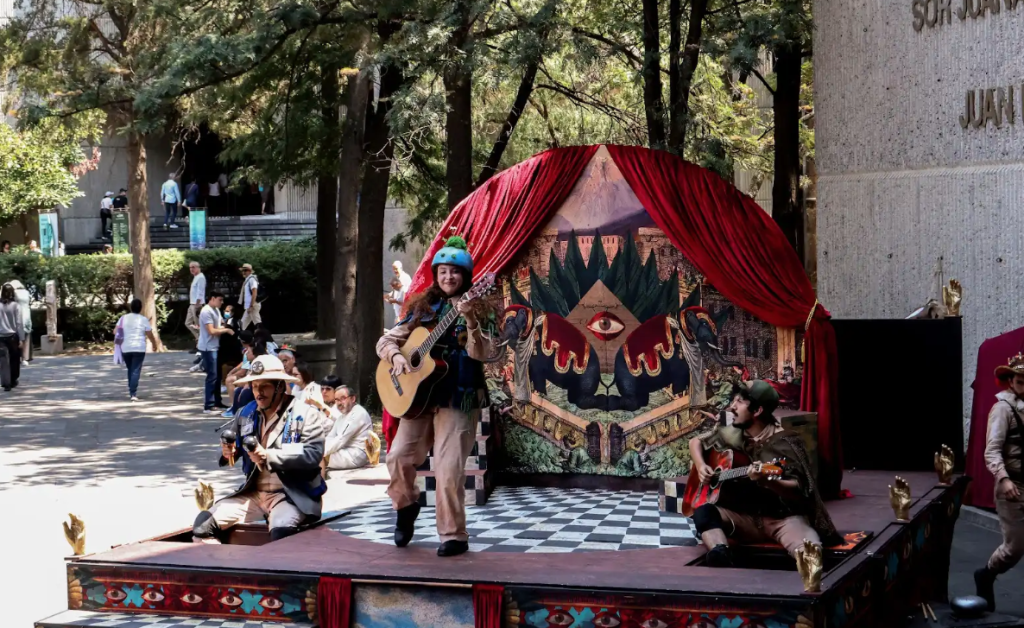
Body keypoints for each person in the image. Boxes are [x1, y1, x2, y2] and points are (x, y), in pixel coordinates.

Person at [376, 235, 497, 557]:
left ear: (467, 277)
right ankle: (406, 507)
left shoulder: (480, 308)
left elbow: (484, 352)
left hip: (459, 397)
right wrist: (397, 358)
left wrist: (470, 317)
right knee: (397, 456)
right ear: (435, 274)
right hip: (418, 398)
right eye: (442, 271)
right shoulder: (421, 306)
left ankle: (453, 535)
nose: (448, 277)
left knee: (448, 469)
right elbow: (387, 341)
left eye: (455, 272)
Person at [687, 380, 840, 567]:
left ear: (758, 411)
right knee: (704, 511)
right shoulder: (734, 432)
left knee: (810, 556)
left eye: (740, 402)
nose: (732, 407)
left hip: (783, 520)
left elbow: (800, 489)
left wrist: (769, 481)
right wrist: (701, 465)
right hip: (746, 519)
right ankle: (720, 552)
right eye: (733, 400)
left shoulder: (786, 442)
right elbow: (695, 442)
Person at [192, 354, 328, 544]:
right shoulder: (245, 413)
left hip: (291, 494)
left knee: (281, 531)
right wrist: (226, 452)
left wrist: (268, 455)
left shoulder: (305, 414)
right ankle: (225, 571)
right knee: (202, 526)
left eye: (264, 386)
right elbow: (230, 447)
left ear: (280, 386)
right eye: (255, 386)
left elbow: (312, 454)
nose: (258, 392)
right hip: (254, 494)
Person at [975, 353, 1024, 611]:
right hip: (1013, 486)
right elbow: (992, 450)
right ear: (1011, 381)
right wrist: (1003, 479)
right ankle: (986, 574)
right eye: (1020, 382)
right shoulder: (1003, 408)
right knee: (1014, 548)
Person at [323, 385, 374, 471]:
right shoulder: (342, 416)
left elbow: (340, 439)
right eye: (337, 400)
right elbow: (330, 437)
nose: (339, 403)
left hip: (356, 455)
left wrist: (320, 451)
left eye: (343, 398)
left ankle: (318, 484)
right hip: (344, 451)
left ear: (353, 399)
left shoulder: (358, 413)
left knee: (315, 457)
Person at [198, 291, 234, 412]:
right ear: (212, 298)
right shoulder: (206, 311)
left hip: (215, 346)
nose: (222, 302)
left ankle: (217, 402)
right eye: (220, 300)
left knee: (217, 375)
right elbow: (212, 331)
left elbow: (220, 324)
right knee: (212, 376)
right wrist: (226, 331)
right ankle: (208, 404)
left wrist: (228, 324)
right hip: (208, 347)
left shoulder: (216, 310)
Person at [116, 299, 157, 401]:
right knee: (135, 370)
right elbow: (149, 334)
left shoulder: (123, 318)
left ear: (131, 307)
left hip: (125, 347)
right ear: (141, 308)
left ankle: (131, 390)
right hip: (139, 347)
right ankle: (133, 393)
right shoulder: (143, 319)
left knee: (131, 369)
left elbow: (115, 331)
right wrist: (154, 344)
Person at [0, 283, 24, 391]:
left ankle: (6, 383)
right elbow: (19, 323)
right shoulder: (16, 305)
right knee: (14, 359)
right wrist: (22, 338)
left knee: (3, 360)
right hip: (13, 336)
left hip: (1, 336)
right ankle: (13, 379)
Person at [8, 280, 31, 366]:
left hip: (17, 314)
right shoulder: (26, 292)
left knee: (16, 337)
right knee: (26, 336)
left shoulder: (15, 293)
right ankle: (25, 358)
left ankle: (17, 356)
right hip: (27, 314)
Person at [185, 261, 207, 348]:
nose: (191, 269)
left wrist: (198, 304)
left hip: (197, 304)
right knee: (188, 323)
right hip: (192, 304)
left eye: (193, 267)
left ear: (198, 267)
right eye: (190, 267)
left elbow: (200, 292)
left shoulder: (201, 277)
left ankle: (200, 345)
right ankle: (198, 338)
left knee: (198, 325)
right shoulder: (196, 277)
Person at [239, 263, 261, 330]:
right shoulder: (247, 280)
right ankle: (239, 336)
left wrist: (251, 305)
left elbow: (254, 292)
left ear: (249, 271)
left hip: (252, 305)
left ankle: (264, 337)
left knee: (257, 323)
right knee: (242, 323)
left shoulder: (252, 279)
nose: (243, 272)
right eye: (243, 270)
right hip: (249, 306)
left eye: (245, 270)